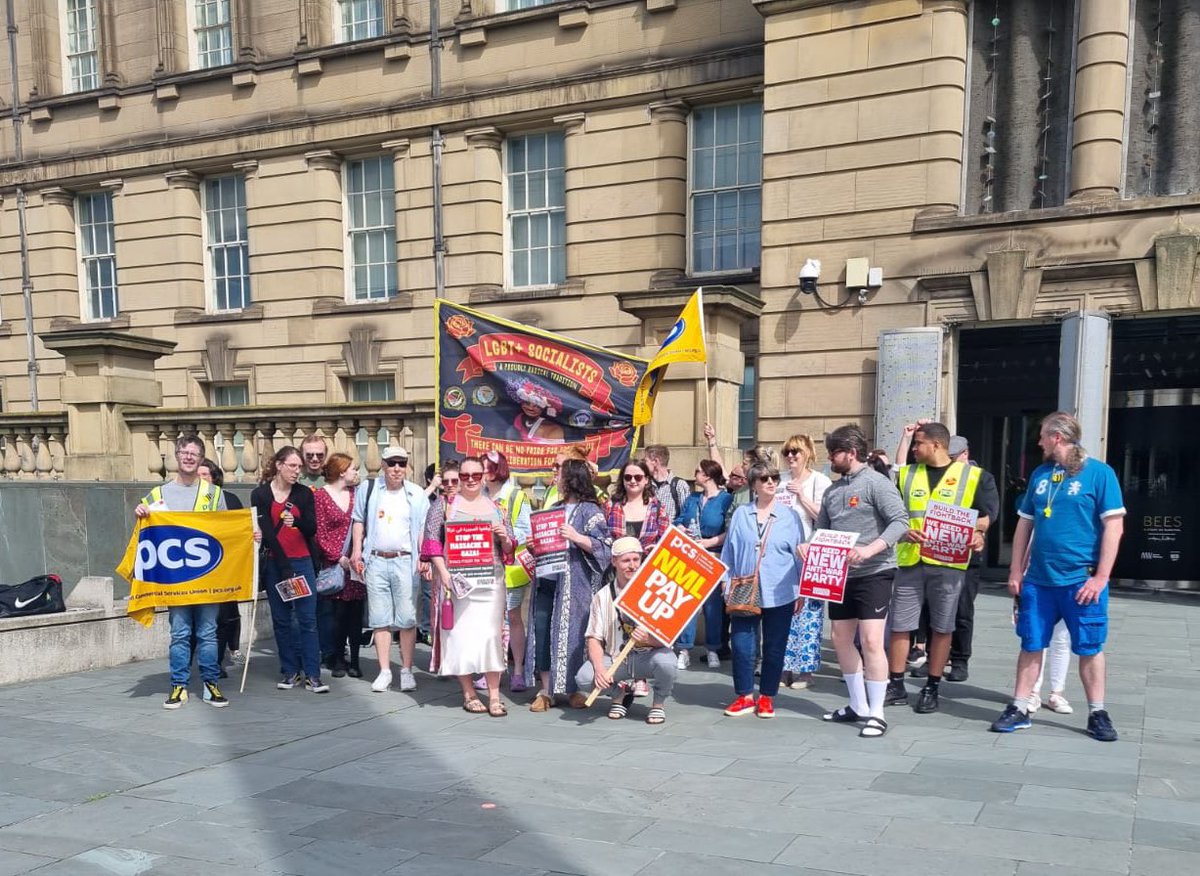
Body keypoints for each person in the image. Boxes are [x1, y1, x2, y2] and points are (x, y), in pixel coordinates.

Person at [990, 412, 1125, 742]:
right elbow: (1025, 524)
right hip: (1039, 581)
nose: (1039, 442)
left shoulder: (1099, 474)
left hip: (1081, 580)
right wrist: (1016, 570)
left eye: (1042, 436)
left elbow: (1114, 526)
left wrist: (1101, 577)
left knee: (1089, 647)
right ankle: (1019, 707)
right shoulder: (1040, 474)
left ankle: (1097, 713)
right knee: (1031, 643)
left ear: (1057, 438)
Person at [807, 424, 909, 738]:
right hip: (840, 575)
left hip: (875, 571)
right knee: (840, 637)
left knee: (871, 640)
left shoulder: (877, 483)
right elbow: (821, 531)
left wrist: (869, 550)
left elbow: (900, 522)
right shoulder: (832, 491)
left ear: (851, 453)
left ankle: (877, 712)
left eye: (833, 453)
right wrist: (808, 547)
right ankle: (857, 704)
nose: (829, 458)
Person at [884, 422, 991, 714]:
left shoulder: (973, 476)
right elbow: (892, 515)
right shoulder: (907, 474)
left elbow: (985, 516)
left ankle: (932, 687)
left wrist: (977, 532)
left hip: (948, 562)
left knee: (942, 626)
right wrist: (903, 532)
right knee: (900, 625)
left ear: (937, 445)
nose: (914, 448)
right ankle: (896, 685)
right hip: (910, 560)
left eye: (918, 443)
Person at [136, 435, 231, 709]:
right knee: (180, 633)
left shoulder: (214, 494)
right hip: (176, 578)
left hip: (208, 577)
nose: (189, 457)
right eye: (184, 452)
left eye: (194, 453)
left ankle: (211, 684)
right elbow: (147, 533)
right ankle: (179, 685)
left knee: (208, 632)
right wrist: (140, 513)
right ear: (176, 456)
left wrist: (251, 533)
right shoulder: (157, 495)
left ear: (201, 459)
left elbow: (227, 532)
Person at [423, 456, 516, 716]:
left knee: (491, 636)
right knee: (460, 636)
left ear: (484, 476)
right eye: (465, 476)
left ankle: (494, 695)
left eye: (476, 475)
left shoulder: (498, 507)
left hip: (491, 581)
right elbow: (431, 542)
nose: (471, 480)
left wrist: (504, 538)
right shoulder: (444, 506)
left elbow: (510, 549)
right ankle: (469, 693)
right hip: (458, 581)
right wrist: (443, 573)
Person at [525, 457, 613, 711]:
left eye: (559, 472)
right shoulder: (553, 507)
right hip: (548, 580)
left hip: (575, 584)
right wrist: (534, 546)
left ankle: (574, 688)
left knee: (574, 634)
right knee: (543, 631)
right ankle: (546, 690)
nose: (555, 476)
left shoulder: (591, 511)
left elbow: (605, 548)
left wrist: (577, 537)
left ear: (571, 479)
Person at [719, 460, 802, 719]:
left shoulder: (790, 516)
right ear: (753, 484)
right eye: (764, 478)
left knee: (775, 645)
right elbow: (729, 550)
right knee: (742, 643)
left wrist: (801, 589)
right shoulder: (741, 514)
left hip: (781, 588)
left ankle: (767, 696)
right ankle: (744, 695)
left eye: (774, 478)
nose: (770, 483)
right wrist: (725, 580)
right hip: (744, 585)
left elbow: (799, 553)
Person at [349, 446, 431, 694]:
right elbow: (358, 520)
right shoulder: (369, 489)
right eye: (392, 463)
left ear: (407, 466)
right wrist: (356, 551)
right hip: (376, 559)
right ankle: (384, 670)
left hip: (405, 560)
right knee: (380, 618)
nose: (397, 468)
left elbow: (422, 528)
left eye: (401, 463)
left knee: (407, 618)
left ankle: (406, 669)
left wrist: (425, 557)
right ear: (383, 465)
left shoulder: (416, 494)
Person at [251, 445, 328, 694]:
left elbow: (312, 528)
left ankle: (313, 674)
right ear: (279, 465)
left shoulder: (304, 494)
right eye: (292, 466)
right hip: (276, 564)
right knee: (282, 620)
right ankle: (290, 671)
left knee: (307, 619)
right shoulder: (260, 495)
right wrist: (283, 567)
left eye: (299, 467)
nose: (297, 471)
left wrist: (297, 521)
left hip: (302, 561)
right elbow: (267, 534)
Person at [576, 537, 677, 724]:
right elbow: (593, 638)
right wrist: (599, 669)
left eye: (636, 559)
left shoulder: (657, 590)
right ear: (614, 561)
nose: (632, 565)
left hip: (648, 656)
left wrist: (648, 639)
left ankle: (658, 704)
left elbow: (668, 640)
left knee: (667, 663)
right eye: (626, 560)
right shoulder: (602, 596)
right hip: (616, 657)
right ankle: (620, 694)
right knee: (584, 679)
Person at [778, 433, 832, 690]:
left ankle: (806, 670)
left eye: (795, 451)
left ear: (807, 453)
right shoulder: (780, 480)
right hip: (783, 555)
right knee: (783, 610)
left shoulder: (819, 481)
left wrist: (802, 496)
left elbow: (825, 517)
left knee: (809, 613)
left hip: (811, 555)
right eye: (787, 452)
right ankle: (784, 665)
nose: (790, 456)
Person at [945, 435, 1000, 682]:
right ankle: (935, 657)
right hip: (938, 551)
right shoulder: (939, 475)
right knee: (932, 608)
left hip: (966, 552)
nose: (948, 462)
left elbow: (988, 514)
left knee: (962, 608)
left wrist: (972, 529)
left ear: (965, 454)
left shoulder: (981, 478)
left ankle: (959, 660)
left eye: (952, 458)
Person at [674, 459, 732, 670]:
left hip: (713, 555)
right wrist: (681, 528)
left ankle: (713, 648)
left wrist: (710, 542)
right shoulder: (693, 498)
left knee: (712, 606)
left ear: (707, 475)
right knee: (688, 603)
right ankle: (684, 649)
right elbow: (679, 519)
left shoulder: (726, 499)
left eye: (698, 471)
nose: (695, 474)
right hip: (690, 555)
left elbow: (731, 529)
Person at [482, 450, 533, 692]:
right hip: (485, 565)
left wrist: (505, 537)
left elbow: (526, 529)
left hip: (512, 567)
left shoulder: (515, 495)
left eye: (488, 467)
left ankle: (518, 670)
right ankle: (491, 669)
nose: (484, 472)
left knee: (512, 617)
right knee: (489, 619)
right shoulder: (478, 495)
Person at [314, 453, 366, 678]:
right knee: (337, 614)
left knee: (356, 612)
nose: (357, 472)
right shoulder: (321, 496)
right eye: (353, 468)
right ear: (342, 471)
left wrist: (357, 555)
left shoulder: (356, 494)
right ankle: (336, 658)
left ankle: (355, 660)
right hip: (335, 563)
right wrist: (337, 557)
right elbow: (320, 533)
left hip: (356, 560)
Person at [197, 458, 244, 679]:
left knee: (225, 616)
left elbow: (241, 530)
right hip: (198, 569)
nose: (201, 479)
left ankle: (217, 660)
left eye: (204, 475)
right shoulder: (188, 503)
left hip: (225, 567)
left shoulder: (230, 500)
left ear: (214, 478)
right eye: (197, 475)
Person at [506, 378, 566, 443]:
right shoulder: (519, 418)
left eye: (537, 405)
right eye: (527, 402)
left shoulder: (554, 430)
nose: (530, 408)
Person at [643, 444, 690, 523]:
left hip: (670, 529)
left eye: (645, 461)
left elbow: (686, 516)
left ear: (655, 461)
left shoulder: (679, 485)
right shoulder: (645, 483)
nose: (643, 464)